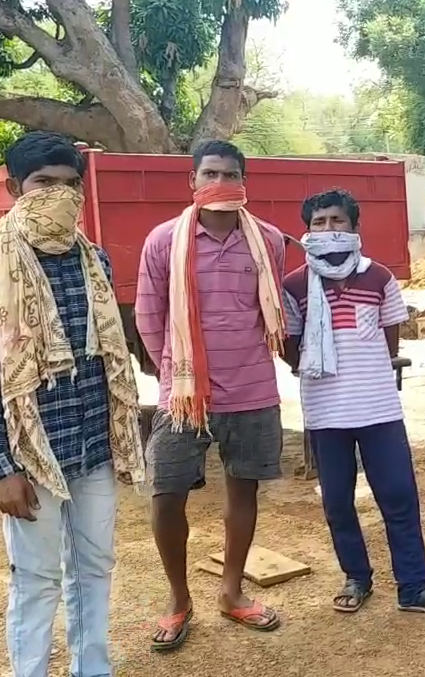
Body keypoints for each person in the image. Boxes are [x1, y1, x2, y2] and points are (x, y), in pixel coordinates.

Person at [0, 131, 144, 677]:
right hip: (31, 459)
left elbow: (110, 360)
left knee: (96, 567)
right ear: (14, 187)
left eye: (70, 185)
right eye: (43, 183)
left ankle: (93, 668)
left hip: (94, 449)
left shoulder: (94, 261)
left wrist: (122, 436)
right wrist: (0, 469)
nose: (59, 195)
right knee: (36, 579)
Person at [281, 188, 425, 618]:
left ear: (354, 228)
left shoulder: (378, 278)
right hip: (326, 414)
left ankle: (414, 586)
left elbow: (388, 342)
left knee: (399, 496)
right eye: (319, 222)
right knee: (338, 502)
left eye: (337, 221)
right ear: (307, 232)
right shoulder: (293, 286)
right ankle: (356, 577)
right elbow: (291, 350)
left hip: (379, 410)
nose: (329, 229)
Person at [136, 140, 287, 650]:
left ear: (245, 183)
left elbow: (270, 312)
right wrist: (174, 375)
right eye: (209, 173)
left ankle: (231, 592)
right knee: (166, 495)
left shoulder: (267, 240)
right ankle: (179, 601)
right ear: (193, 182)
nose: (219, 182)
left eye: (230, 173)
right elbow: (149, 318)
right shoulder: (163, 241)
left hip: (251, 388)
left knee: (243, 490)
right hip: (182, 396)